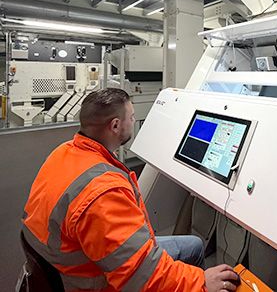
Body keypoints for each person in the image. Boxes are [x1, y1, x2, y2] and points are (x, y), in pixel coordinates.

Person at [21, 88, 239, 291]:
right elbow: (141, 276)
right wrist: (201, 282)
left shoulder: (64, 152)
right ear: (115, 126)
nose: (134, 121)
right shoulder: (104, 192)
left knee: (192, 244)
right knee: (192, 253)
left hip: (66, 260)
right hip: (91, 278)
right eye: (132, 117)